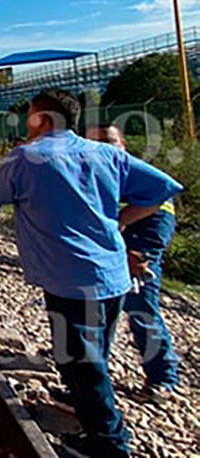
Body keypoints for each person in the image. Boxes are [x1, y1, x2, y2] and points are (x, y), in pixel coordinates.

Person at [0, 89, 182, 458]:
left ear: (41, 118)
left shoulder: (26, 158)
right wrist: (119, 221)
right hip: (111, 277)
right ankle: (87, 410)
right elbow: (163, 189)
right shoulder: (106, 154)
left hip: (67, 280)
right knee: (94, 358)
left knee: (80, 365)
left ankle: (108, 445)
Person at [85, 124, 181, 404]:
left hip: (137, 250)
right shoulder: (92, 175)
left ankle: (163, 379)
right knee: (97, 315)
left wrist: (140, 252)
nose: (103, 148)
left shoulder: (136, 174)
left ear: (123, 143)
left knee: (141, 311)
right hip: (105, 251)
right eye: (95, 144)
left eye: (109, 141)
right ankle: (91, 377)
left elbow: (163, 213)